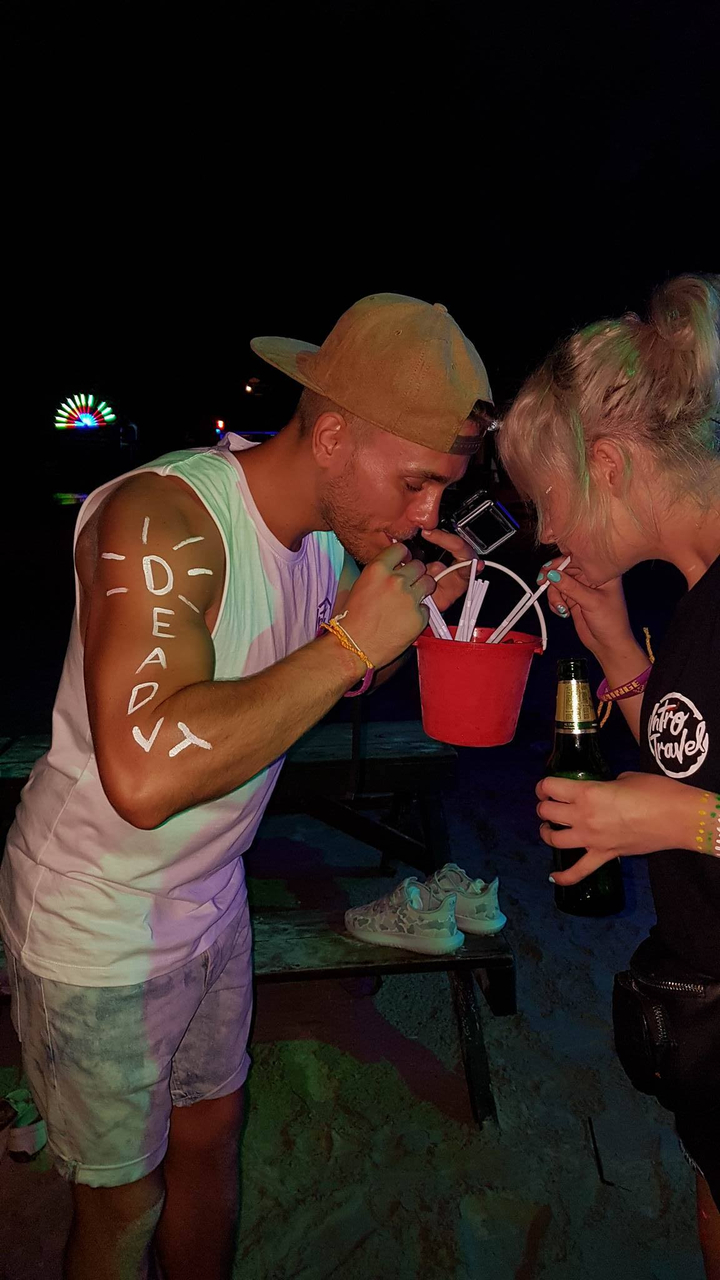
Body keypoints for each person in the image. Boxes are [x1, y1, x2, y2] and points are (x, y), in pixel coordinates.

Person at [0, 292, 496, 1280]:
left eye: (441, 490)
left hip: (210, 900)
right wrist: (356, 635)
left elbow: (330, 672)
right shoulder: (159, 516)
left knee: (212, 1140)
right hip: (94, 921)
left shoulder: (324, 541)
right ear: (332, 435)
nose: (425, 513)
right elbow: (141, 774)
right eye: (413, 483)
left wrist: (398, 624)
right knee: (124, 1205)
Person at [498, 273, 720, 1279]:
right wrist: (621, 648)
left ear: (607, 464)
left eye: (545, 503)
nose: (543, 537)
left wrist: (677, 819)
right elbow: (689, 748)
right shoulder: (696, 593)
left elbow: (691, 802)